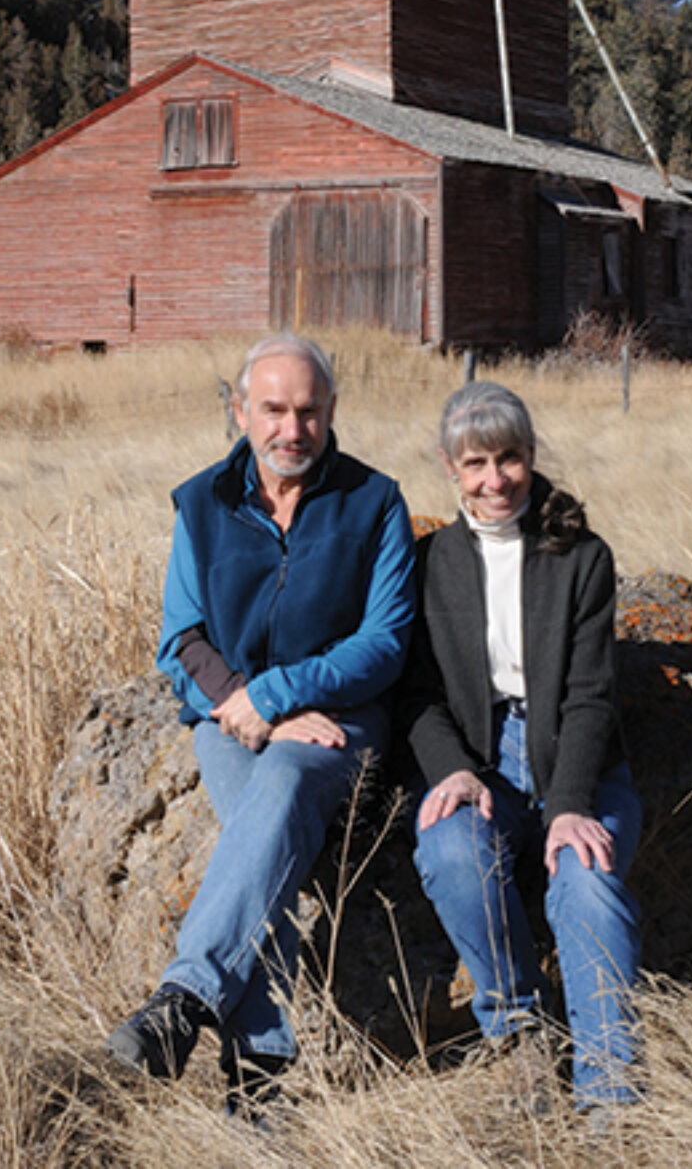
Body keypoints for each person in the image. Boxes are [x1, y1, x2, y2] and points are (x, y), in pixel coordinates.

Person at [105, 332, 415, 1103]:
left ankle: (186, 999)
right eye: (273, 409)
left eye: (309, 410)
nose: (292, 428)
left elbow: (385, 643)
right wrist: (253, 706)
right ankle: (257, 1077)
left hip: (340, 722)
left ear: (332, 411)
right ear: (241, 410)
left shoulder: (374, 502)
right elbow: (179, 635)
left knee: (276, 789)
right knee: (264, 820)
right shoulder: (202, 501)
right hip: (227, 720)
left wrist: (278, 697)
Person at [400, 380, 642, 1115]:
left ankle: (611, 1099)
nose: (494, 478)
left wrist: (570, 804)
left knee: (586, 877)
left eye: (508, 457)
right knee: (448, 848)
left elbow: (592, 693)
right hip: (479, 762)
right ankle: (523, 1031)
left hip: (578, 757)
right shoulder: (428, 561)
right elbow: (416, 695)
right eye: (476, 462)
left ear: (530, 456)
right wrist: (454, 770)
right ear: (449, 465)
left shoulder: (580, 555)